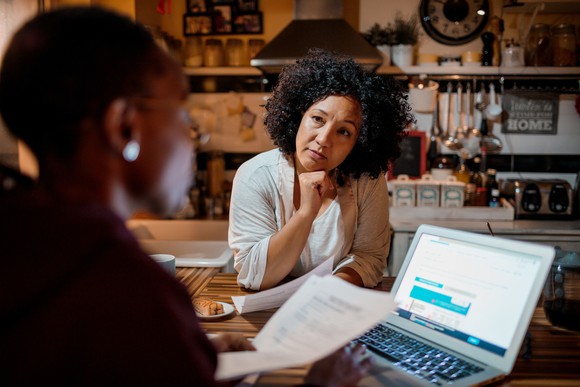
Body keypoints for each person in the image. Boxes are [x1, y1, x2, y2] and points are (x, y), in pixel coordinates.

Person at [0, 7, 370, 385]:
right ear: (123, 126)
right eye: (181, 113)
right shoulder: (130, 292)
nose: (193, 139)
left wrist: (191, 358)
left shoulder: (23, 244)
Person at [229, 48, 413, 291]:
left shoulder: (367, 179)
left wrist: (324, 293)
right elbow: (254, 276)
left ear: (359, 142)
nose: (324, 139)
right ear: (298, 115)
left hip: (333, 306)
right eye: (317, 119)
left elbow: (369, 258)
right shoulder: (255, 175)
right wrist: (306, 212)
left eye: (344, 131)